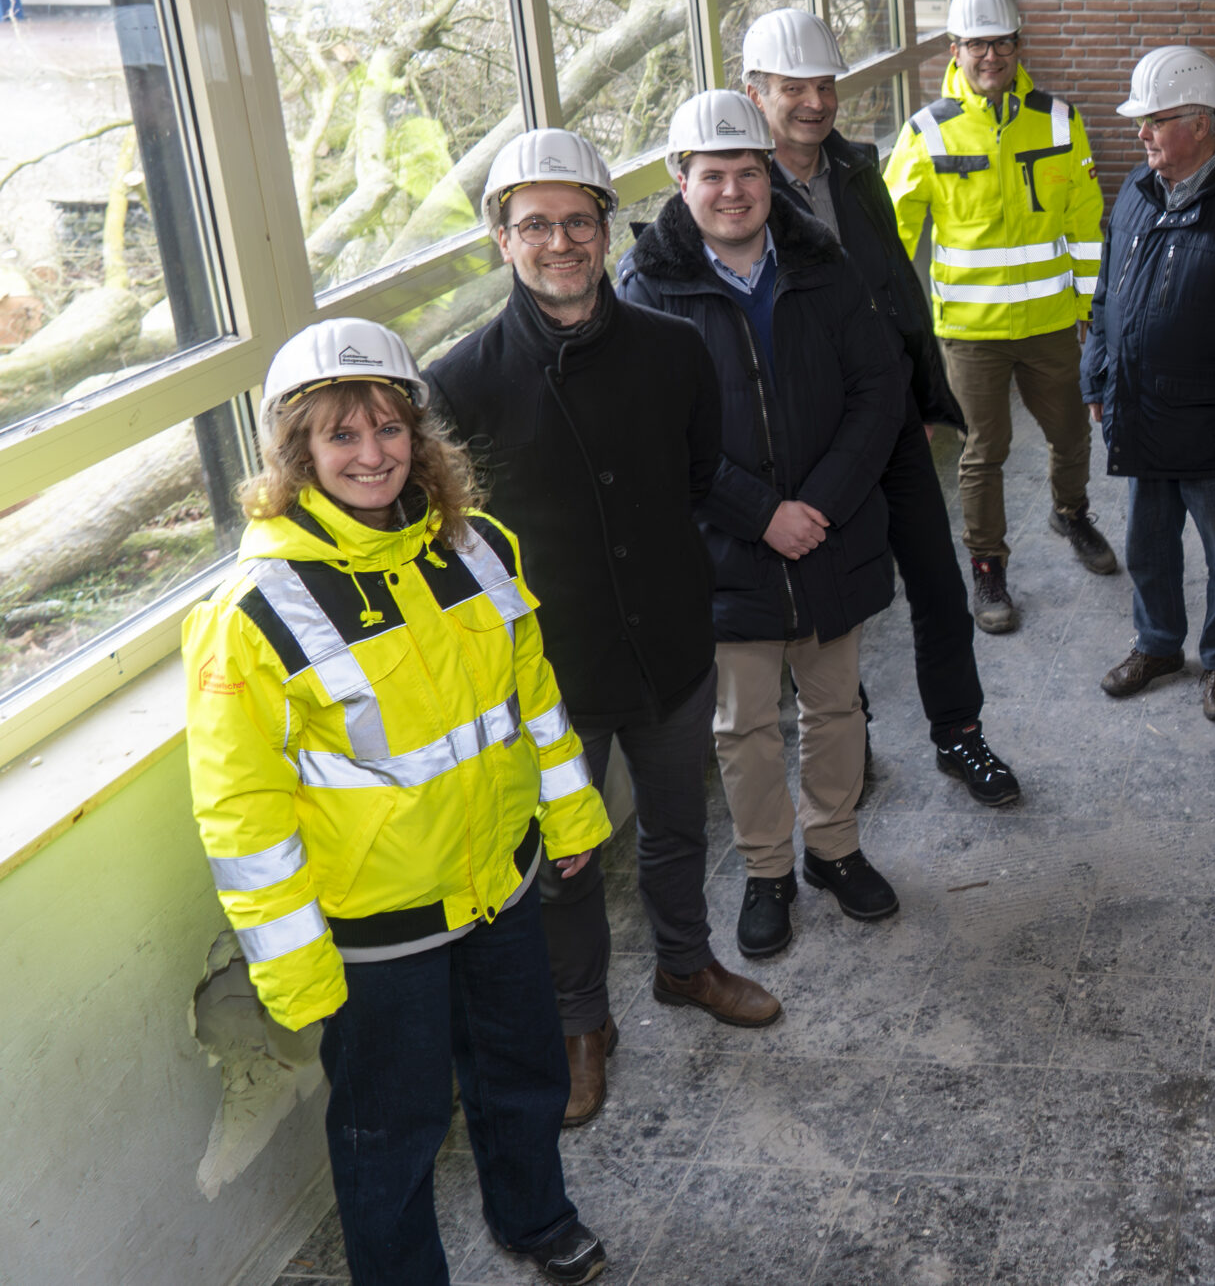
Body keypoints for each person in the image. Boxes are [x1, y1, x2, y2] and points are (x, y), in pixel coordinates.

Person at [186, 319, 614, 1286]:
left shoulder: (477, 546)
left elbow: (530, 699)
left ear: (420, 439)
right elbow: (241, 810)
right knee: (393, 1125)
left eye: (389, 428)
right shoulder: (252, 612)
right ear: (297, 455)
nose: (372, 455)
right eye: (342, 436)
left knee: (526, 1071)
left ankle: (537, 1218)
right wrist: (296, 970)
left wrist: (573, 814)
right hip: (376, 928)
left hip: (497, 881)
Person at [428, 131, 779, 1131]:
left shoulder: (673, 349)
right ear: (502, 240)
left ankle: (685, 964)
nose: (561, 243)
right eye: (534, 225)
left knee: (676, 826)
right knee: (566, 863)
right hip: (549, 677)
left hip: (670, 640)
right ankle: (582, 1023)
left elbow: (700, 475)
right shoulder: (460, 386)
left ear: (603, 229)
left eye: (577, 221)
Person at [620, 91, 907, 959]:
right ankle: (767, 872)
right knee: (742, 725)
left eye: (749, 172)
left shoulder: (822, 263)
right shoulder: (648, 289)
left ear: (770, 175)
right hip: (726, 550)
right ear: (680, 180)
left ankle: (833, 848)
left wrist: (815, 505)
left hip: (830, 530)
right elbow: (654, 433)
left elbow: (879, 387)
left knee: (834, 704)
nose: (735, 191)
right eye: (714, 175)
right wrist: (762, 514)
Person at [739, 7, 1020, 807]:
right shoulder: (741, 194)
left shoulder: (857, 170)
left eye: (825, 85)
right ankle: (846, 750)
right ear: (754, 92)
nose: (815, 103)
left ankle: (960, 736)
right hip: (811, 443)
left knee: (937, 584)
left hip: (890, 422)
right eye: (794, 88)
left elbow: (895, 284)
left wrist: (922, 391)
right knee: (830, 611)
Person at [883, 0, 1112, 634]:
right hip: (969, 334)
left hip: (1049, 325)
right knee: (985, 449)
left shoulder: (1060, 121)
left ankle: (1070, 513)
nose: (990, 54)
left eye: (1001, 42)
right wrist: (901, 331)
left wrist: (1088, 307)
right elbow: (893, 235)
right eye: (977, 43)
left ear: (1018, 47)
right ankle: (987, 566)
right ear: (955, 50)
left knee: (1071, 433)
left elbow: (1087, 221)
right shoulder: (926, 131)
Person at [1083, 47, 1215, 722]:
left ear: (1202, 125)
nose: (1141, 134)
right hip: (1142, 413)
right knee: (1147, 547)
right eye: (1141, 122)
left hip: (1214, 428)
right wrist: (1097, 373)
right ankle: (1157, 644)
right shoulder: (1136, 193)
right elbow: (1107, 295)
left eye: (1155, 120)